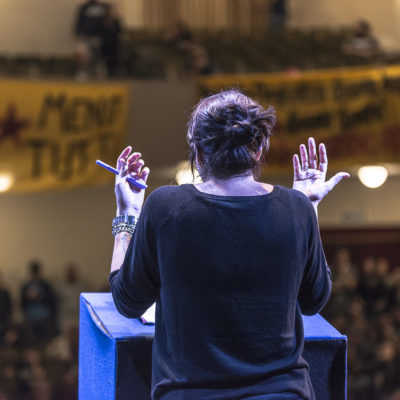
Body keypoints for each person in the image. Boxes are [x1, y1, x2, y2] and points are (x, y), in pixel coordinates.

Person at [108, 90, 349, 399]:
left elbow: (127, 301)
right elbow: (314, 300)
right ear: (258, 149)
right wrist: (308, 207)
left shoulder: (166, 207)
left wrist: (127, 216)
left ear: (199, 153)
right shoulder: (295, 207)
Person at [21, 261, 57, 344]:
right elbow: (22, 303)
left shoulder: (45, 285)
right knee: (31, 340)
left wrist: (41, 296)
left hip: (44, 315)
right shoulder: (26, 286)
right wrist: (28, 297)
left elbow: (52, 300)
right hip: (30, 316)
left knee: (46, 340)